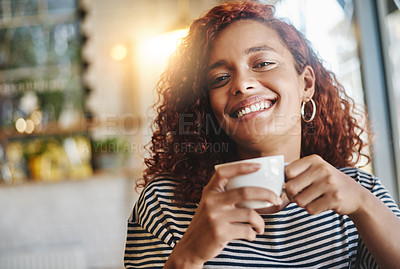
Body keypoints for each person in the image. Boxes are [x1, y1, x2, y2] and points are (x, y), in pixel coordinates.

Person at [124, 1, 400, 268]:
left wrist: (364, 206)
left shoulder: (362, 194)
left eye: (263, 63)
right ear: (209, 106)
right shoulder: (162, 204)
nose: (242, 85)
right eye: (220, 78)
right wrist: (188, 258)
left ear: (306, 84)